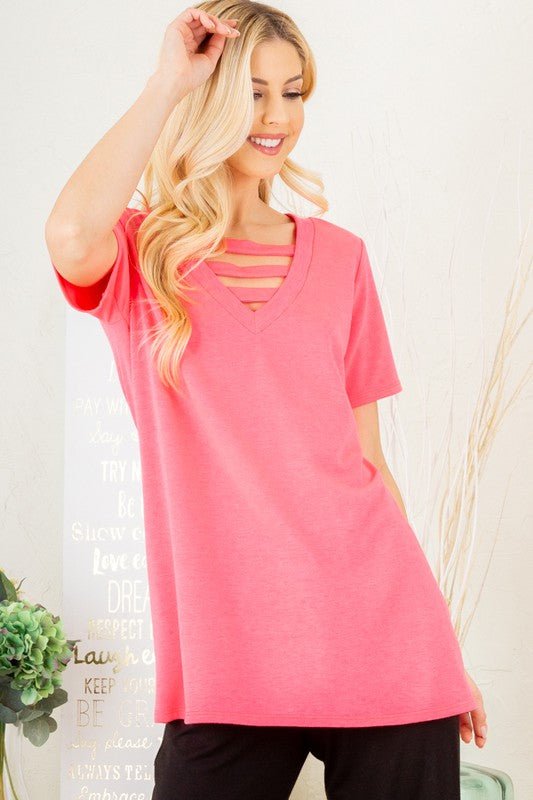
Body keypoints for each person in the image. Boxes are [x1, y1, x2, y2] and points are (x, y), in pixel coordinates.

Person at [45, 2, 489, 798]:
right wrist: (167, 82)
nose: (277, 117)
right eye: (252, 93)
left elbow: (368, 465)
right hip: (228, 663)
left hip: (385, 639)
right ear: (209, 100)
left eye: (292, 93)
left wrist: (442, 653)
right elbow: (71, 233)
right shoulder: (144, 257)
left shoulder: (342, 260)